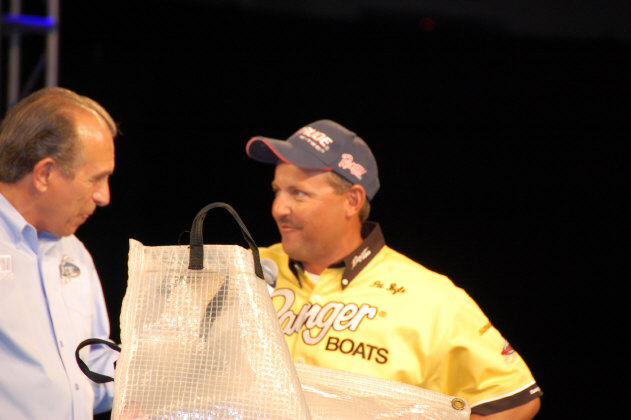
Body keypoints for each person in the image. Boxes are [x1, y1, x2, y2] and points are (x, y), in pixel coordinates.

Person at [245, 119, 543, 419]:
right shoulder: (242, 271)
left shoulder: (433, 299)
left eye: (298, 193)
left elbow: (515, 401)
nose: (278, 208)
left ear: (352, 201)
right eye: (277, 191)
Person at [0, 87, 118, 419]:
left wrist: (166, 364)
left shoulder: (75, 253)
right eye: (96, 179)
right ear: (45, 173)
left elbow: (92, 368)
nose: (104, 196)